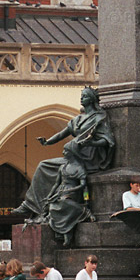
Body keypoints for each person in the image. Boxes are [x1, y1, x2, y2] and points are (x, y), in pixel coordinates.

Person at [12, 88, 115, 243]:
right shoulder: (78, 119)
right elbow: (62, 134)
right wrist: (47, 142)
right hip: (74, 157)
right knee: (43, 165)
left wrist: (90, 142)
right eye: (81, 96)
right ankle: (30, 204)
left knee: (48, 168)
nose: (82, 99)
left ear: (92, 99)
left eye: (85, 96)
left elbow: (107, 140)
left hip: (88, 158)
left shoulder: (99, 118)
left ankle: (45, 209)